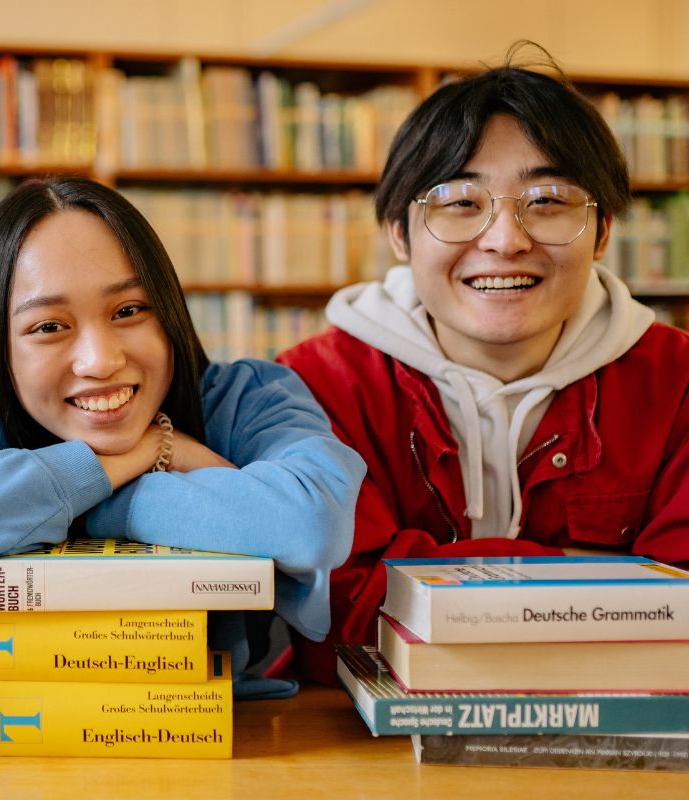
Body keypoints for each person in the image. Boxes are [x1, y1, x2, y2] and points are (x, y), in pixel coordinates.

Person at [270, 46, 689, 684]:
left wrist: (420, 571)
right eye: (460, 202)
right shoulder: (313, 386)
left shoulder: (679, 382)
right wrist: (604, 579)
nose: (504, 238)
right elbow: (341, 614)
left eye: (548, 200)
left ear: (603, 231)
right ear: (400, 233)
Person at [0, 176, 364, 695]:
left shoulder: (248, 395)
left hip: (218, 732)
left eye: (128, 311)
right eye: (48, 327)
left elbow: (312, 521)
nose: (101, 361)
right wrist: (146, 453)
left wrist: (93, 506)